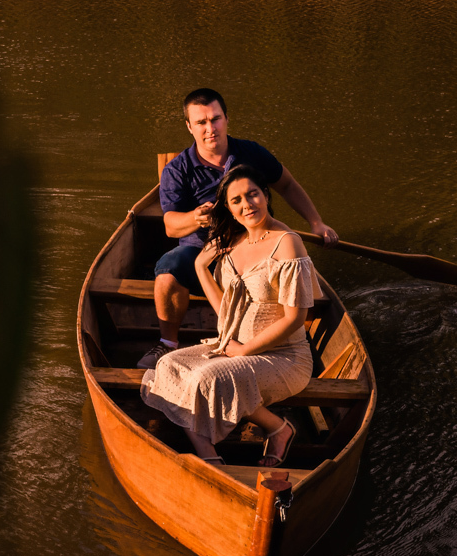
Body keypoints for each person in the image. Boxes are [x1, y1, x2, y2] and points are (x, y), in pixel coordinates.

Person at [137, 88, 337, 368]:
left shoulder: (251, 153)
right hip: (204, 252)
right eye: (201, 123)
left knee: (284, 280)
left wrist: (315, 221)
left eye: (215, 119)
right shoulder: (177, 170)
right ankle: (167, 343)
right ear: (189, 127)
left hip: (256, 247)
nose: (210, 129)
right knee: (168, 269)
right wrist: (196, 217)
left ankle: (285, 345)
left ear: (227, 119)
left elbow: (287, 185)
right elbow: (170, 226)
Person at [139, 164, 316, 467]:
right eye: (236, 200)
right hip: (232, 347)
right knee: (168, 364)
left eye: (253, 195)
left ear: (266, 195)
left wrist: (245, 350)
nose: (247, 205)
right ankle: (206, 449)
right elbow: (226, 314)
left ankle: (278, 428)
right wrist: (200, 268)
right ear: (229, 208)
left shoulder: (287, 242)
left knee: (209, 377)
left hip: (283, 357)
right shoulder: (233, 243)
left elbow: (296, 317)